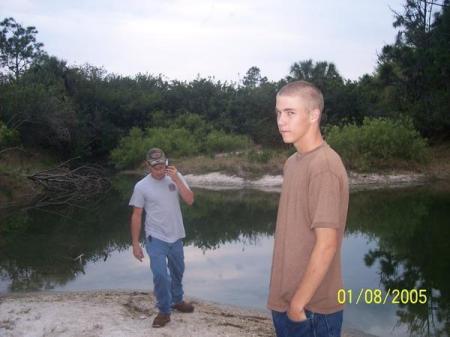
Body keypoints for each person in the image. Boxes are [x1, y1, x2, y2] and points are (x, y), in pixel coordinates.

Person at [267, 81, 349, 337]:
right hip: (286, 300)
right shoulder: (292, 163)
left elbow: (327, 245)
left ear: (314, 115)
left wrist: (297, 305)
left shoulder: (324, 167)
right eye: (279, 113)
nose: (282, 121)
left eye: (290, 113)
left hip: (312, 309)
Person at [129, 148, 195, 328]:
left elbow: (190, 200)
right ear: (148, 165)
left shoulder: (176, 177)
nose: (159, 169)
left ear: (166, 162)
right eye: (155, 166)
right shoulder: (141, 186)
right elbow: (136, 215)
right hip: (155, 237)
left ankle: (177, 300)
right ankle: (164, 311)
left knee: (177, 271)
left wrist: (176, 179)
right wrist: (135, 243)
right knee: (160, 276)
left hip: (176, 236)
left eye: (161, 164)